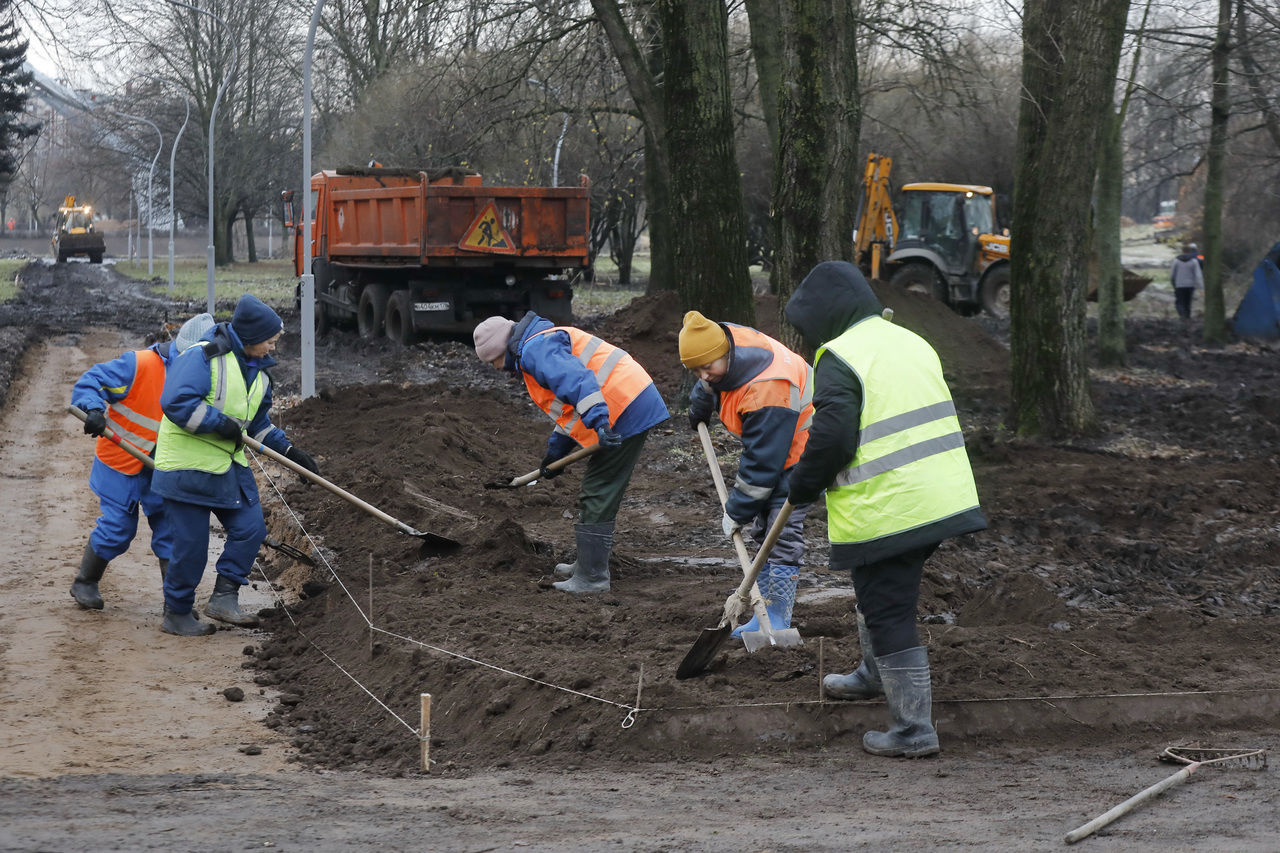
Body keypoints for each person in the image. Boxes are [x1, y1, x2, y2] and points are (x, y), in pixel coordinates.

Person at [784, 261, 987, 758]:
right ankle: (874, 674)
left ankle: (913, 730)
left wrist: (802, 486)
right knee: (878, 591)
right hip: (940, 495)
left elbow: (832, 436)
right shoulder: (908, 340)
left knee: (889, 608)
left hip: (893, 504)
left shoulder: (842, 356)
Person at [151, 294, 320, 637]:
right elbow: (175, 401)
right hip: (187, 469)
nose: (274, 346)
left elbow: (258, 426)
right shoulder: (202, 356)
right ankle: (178, 613)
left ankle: (224, 598)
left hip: (228, 468)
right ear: (253, 336)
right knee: (191, 548)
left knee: (252, 529)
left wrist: (291, 453)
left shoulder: (259, 375)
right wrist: (219, 423)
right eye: (271, 339)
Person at [473, 311, 669, 594]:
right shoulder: (537, 345)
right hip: (624, 402)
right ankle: (586, 566)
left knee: (598, 488)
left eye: (493, 361)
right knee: (597, 488)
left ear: (502, 349)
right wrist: (555, 454)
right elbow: (569, 407)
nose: (496, 368)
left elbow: (578, 382)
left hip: (622, 409)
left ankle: (592, 578)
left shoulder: (535, 350)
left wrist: (600, 422)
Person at [679, 310, 814, 638]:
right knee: (764, 530)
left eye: (707, 368)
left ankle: (777, 619)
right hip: (777, 439)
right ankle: (761, 612)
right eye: (695, 370)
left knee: (780, 532)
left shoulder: (767, 389)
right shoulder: (725, 345)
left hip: (805, 450)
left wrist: (737, 510)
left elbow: (762, 467)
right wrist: (700, 403)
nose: (704, 375)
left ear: (726, 353)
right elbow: (711, 378)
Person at [69, 313, 216, 610]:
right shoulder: (140, 364)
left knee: (171, 533)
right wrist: (94, 409)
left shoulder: (208, 375)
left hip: (164, 468)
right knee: (118, 528)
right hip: (121, 462)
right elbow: (92, 380)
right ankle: (85, 582)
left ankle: (174, 605)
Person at [1171, 243, 1204, 323]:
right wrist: (1201, 287)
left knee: (1179, 302)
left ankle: (1182, 315)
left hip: (1179, 285)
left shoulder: (1176, 261)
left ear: (1182, 251)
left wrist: (1173, 283)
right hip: (1190, 285)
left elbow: (1172, 275)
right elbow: (1198, 275)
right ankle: (1187, 317)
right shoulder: (1194, 260)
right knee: (1188, 302)